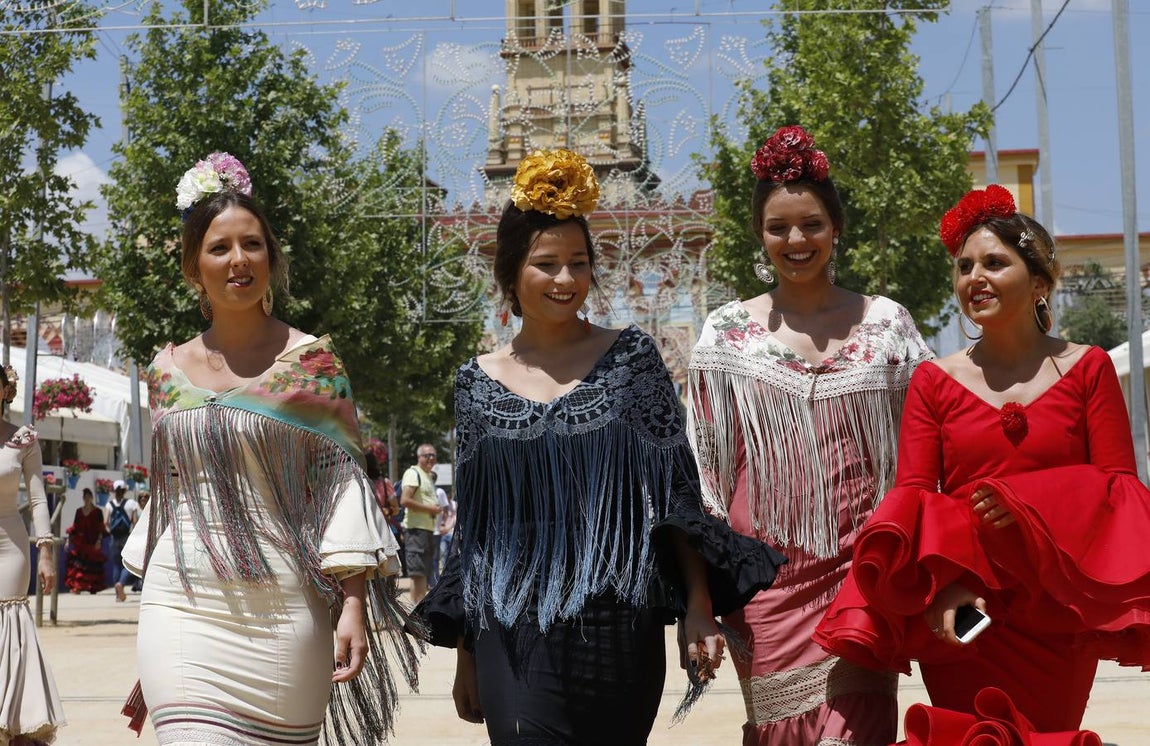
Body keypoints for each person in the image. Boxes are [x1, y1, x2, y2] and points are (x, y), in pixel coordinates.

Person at [412, 147, 786, 744]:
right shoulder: (474, 383)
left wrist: (697, 606)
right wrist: (464, 651)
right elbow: (476, 530)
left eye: (579, 262)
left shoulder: (634, 360)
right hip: (510, 632)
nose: (566, 280)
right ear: (510, 273)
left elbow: (676, 495)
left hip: (619, 626)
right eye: (547, 263)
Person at [814, 185, 1150, 741]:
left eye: (995, 262)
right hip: (966, 607)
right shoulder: (933, 381)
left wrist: (1030, 505)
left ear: (1040, 280)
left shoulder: (1088, 369)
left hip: (1055, 611)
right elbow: (916, 496)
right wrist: (943, 589)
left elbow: (1120, 489)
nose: (975, 277)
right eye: (964, 266)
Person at [119, 152, 416, 745]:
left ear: (272, 259)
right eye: (219, 248)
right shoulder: (164, 371)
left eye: (252, 244)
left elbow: (341, 488)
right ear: (192, 267)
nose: (238, 261)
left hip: (286, 608)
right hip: (180, 601)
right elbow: (170, 492)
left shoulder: (313, 365)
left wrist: (354, 602)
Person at [686, 125, 932, 745]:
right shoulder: (725, 333)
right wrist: (699, 597)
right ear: (759, 235)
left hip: (865, 570)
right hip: (764, 583)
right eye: (778, 227)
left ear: (836, 227)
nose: (796, 240)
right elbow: (703, 476)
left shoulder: (889, 326)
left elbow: (930, 446)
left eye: (812, 224)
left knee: (859, 730)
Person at [0, 363, 66, 743]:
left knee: (8, 631)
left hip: (10, 549)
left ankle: (12, 725)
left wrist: (45, 552)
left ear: (4, 391)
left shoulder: (23, 439)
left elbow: (38, 499)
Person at [399, 444, 442, 603]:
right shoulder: (413, 473)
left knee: (424, 573)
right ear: (419, 457)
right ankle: (416, 613)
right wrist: (430, 508)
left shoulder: (428, 476)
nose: (431, 458)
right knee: (417, 574)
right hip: (416, 531)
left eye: (433, 455)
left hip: (427, 530)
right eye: (427, 455)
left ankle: (420, 611)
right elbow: (405, 500)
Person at [64, 487, 107, 594]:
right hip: (80, 543)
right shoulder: (79, 511)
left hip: (93, 543)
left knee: (92, 566)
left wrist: (99, 541)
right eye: (85, 497)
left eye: (89, 497)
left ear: (92, 498)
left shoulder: (98, 512)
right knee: (78, 566)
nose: (87, 499)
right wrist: (68, 540)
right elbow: (75, 527)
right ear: (83, 498)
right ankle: (77, 587)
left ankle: (92, 587)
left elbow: (101, 529)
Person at [104, 479, 139, 601]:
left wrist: (111, 532)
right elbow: (135, 522)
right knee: (127, 564)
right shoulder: (132, 503)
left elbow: (105, 522)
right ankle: (122, 584)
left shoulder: (109, 504)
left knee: (116, 566)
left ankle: (118, 596)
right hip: (126, 537)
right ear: (125, 490)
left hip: (114, 538)